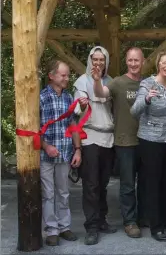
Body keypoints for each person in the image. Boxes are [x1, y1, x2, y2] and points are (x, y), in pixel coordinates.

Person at [92, 47, 147, 238]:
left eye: (136, 60)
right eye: (130, 60)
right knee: (128, 185)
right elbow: (100, 94)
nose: (133, 64)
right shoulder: (118, 83)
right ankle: (130, 221)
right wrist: (97, 80)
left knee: (146, 183)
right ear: (126, 62)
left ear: (143, 62)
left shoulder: (148, 83)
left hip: (147, 140)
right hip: (125, 141)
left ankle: (144, 217)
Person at [131, 51, 166, 242]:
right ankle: (155, 226)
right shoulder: (147, 84)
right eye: (164, 63)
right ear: (158, 65)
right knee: (152, 184)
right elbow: (134, 111)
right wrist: (146, 99)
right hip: (150, 141)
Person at [73, 46, 116, 246]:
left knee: (103, 184)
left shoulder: (111, 82)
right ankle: (91, 226)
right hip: (89, 137)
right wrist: (81, 104)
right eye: (95, 59)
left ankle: (101, 220)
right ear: (90, 60)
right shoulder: (81, 82)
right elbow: (75, 110)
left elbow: (109, 102)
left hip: (108, 138)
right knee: (91, 184)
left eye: (102, 59)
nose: (98, 63)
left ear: (106, 62)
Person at [39, 60, 82, 246]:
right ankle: (51, 230)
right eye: (63, 75)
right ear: (51, 76)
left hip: (65, 153)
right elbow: (33, 128)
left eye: (67, 75)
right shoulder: (40, 98)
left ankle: (64, 227)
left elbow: (73, 125)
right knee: (48, 194)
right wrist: (45, 146)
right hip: (46, 156)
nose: (66, 78)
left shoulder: (68, 97)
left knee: (63, 192)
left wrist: (78, 150)